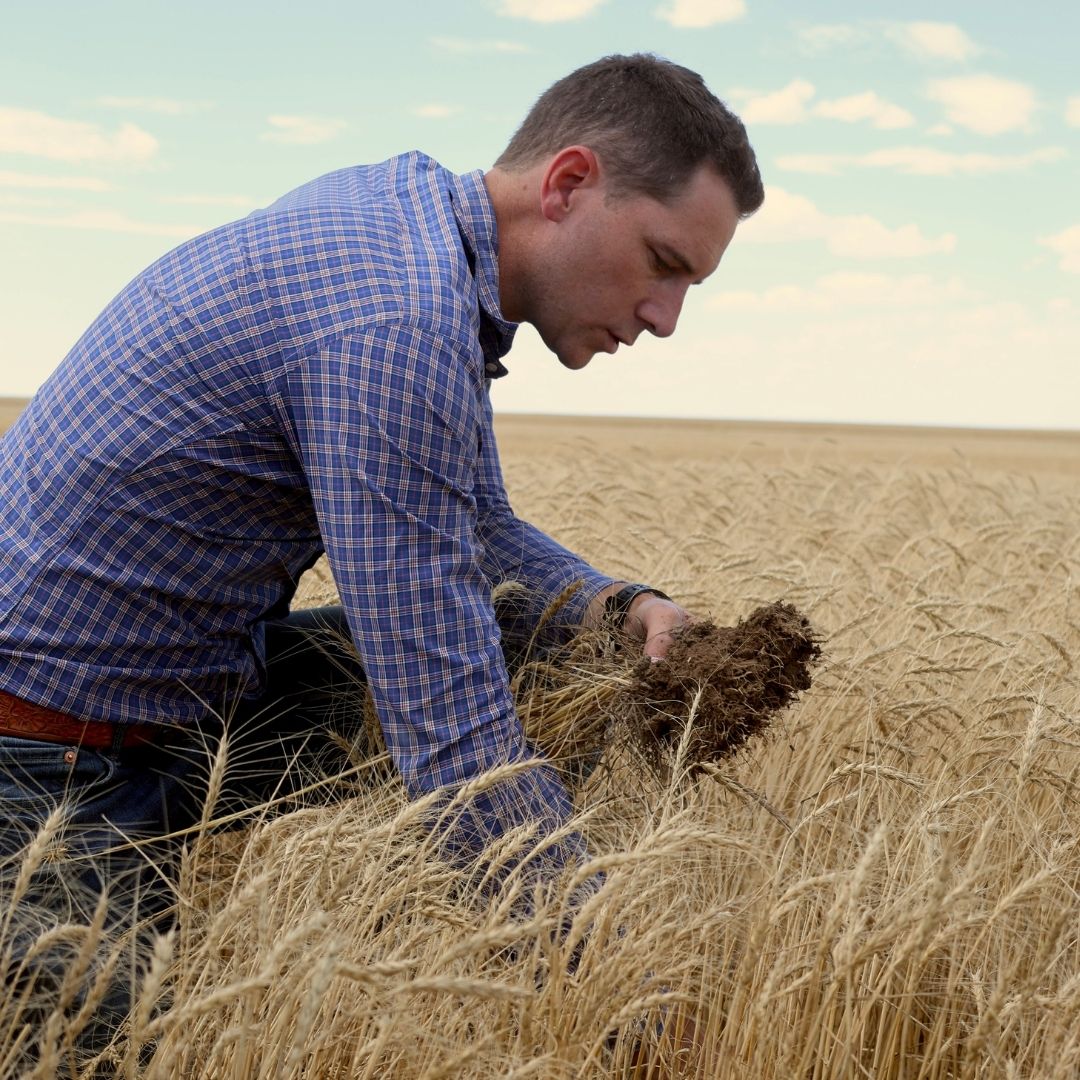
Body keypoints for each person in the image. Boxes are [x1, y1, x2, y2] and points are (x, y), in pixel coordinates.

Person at [0, 52, 763, 1063]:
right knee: (95, 1053)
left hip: (175, 699)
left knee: (548, 650)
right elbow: (451, 736)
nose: (665, 319)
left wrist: (618, 607)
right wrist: (611, 972)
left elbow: (466, 514)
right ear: (569, 183)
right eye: (663, 263)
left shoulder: (402, 216)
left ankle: (429, 913)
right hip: (46, 752)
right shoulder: (393, 322)